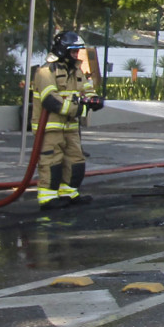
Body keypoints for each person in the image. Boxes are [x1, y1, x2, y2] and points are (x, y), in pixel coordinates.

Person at [31, 30, 104, 209]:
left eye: (77, 51)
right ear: (63, 50)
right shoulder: (45, 72)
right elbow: (51, 100)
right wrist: (79, 108)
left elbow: (87, 90)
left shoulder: (76, 71)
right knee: (52, 162)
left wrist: (94, 100)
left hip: (70, 126)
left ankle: (69, 194)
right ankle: (48, 198)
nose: (76, 54)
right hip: (50, 128)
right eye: (73, 51)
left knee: (75, 160)